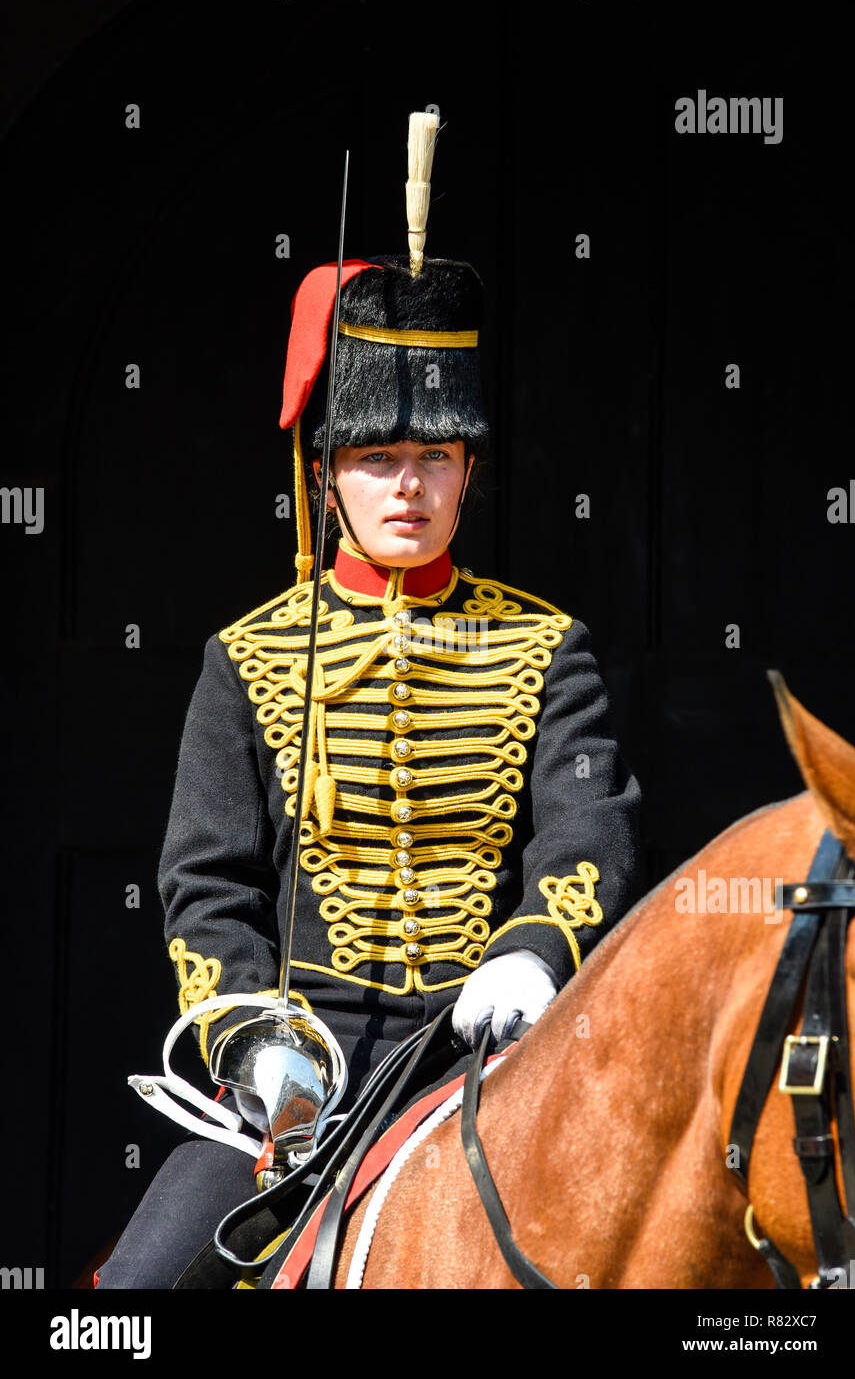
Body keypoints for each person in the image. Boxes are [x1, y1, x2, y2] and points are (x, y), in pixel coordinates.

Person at [97, 230, 640, 1292]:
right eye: (378, 458)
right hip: (302, 1074)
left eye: (435, 456)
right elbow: (206, 889)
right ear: (326, 473)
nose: (409, 486)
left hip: (492, 1059)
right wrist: (255, 1043)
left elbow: (587, 830)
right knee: (132, 1300)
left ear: (470, 468)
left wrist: (532, 956)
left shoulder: (545, 648)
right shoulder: (245, 658)